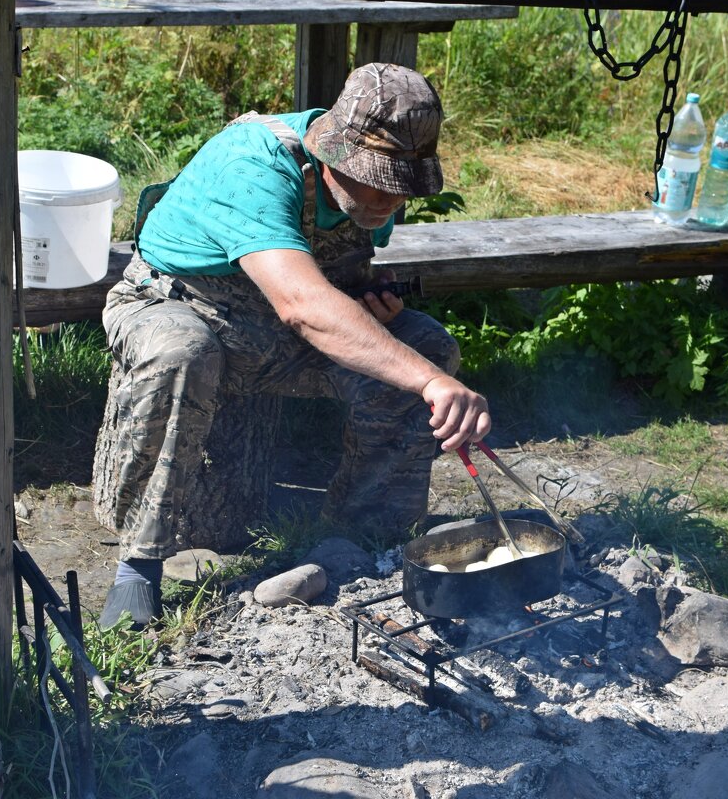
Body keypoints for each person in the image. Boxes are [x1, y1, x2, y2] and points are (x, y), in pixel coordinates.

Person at [97, 63, 491, 629]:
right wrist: (429, 381)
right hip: (178, 308)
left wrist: (368, 300)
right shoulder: (254, 164)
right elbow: (303, 304)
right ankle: (139, 563)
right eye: (376, 177)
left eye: (402, 184)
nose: (390, 199)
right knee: (183, 353)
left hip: (277, 333)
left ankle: (361, 538)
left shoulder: (367, 196)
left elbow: (330, 279)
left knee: (424, 342)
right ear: (334, 150)